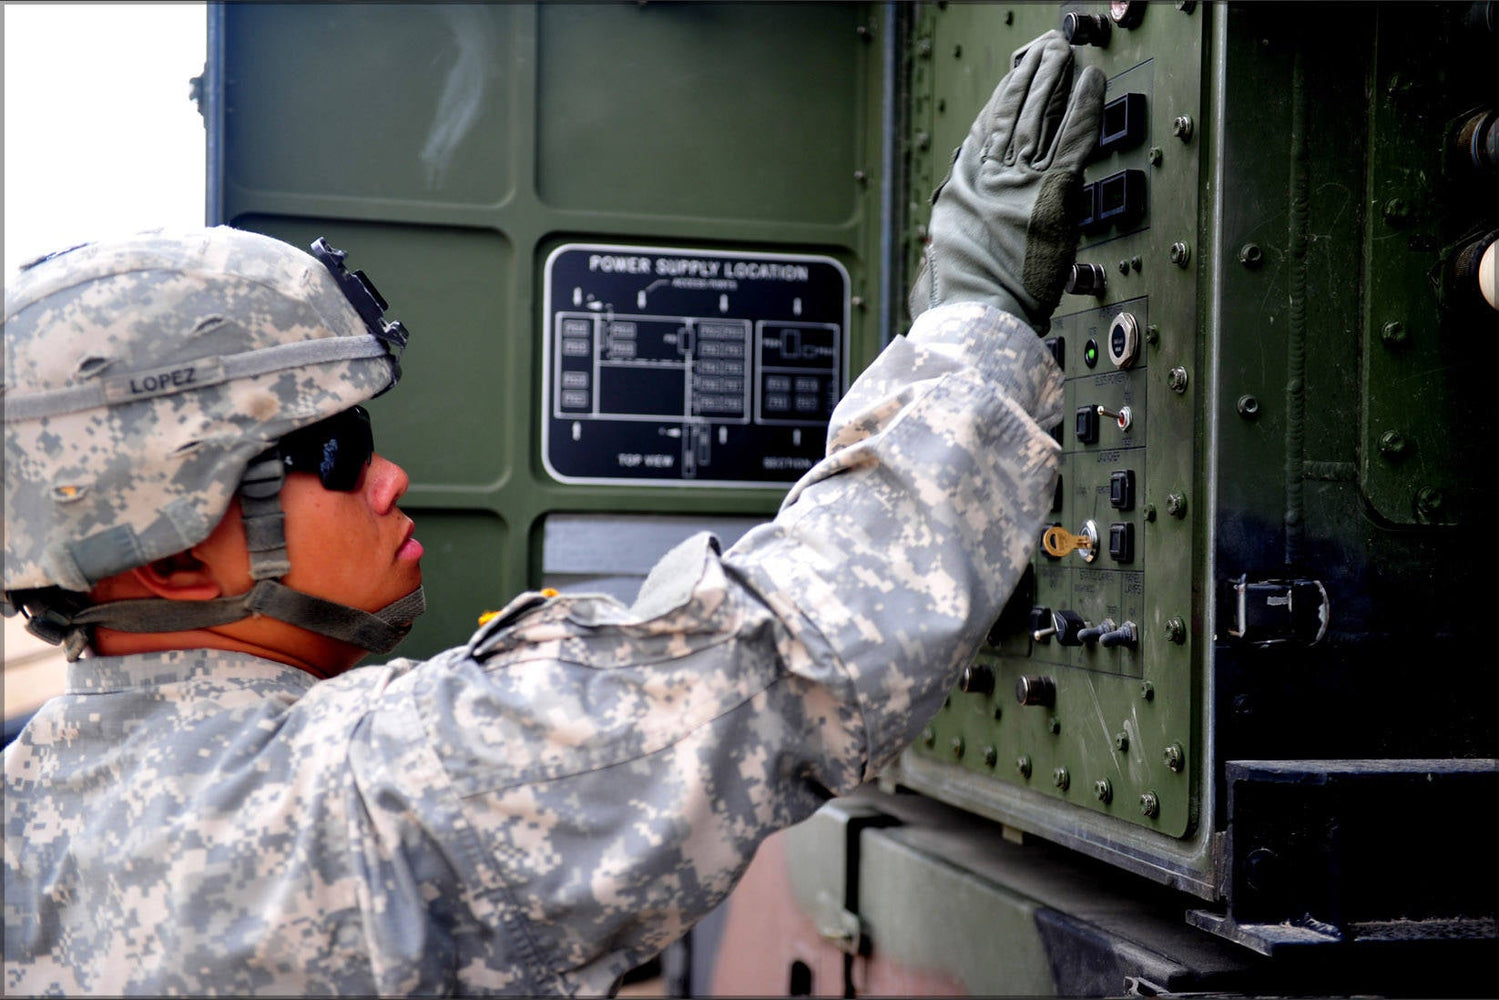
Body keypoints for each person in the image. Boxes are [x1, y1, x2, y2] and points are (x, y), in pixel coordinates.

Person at [3, 32, 1104, 996]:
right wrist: (975, 314)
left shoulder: (35, 801)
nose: (386, 482)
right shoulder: (344, 808)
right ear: (168, 563)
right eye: (330, 455)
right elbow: (786, 663)